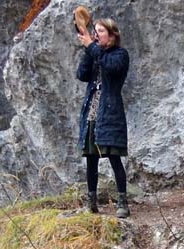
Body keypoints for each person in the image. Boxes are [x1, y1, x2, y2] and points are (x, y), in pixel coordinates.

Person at [76, 17, 130, 218]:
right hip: (92, 111)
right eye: (95, 32)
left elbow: (112, 67)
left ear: (112, 34)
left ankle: (123, 202)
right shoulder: (96, 53)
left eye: (100, 31)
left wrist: (92, 47)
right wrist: (88, 51)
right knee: (91, 158)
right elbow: (81, 74)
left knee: (114, 158)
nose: (96, 35)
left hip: (109, 113)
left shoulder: (120, 55)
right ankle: (91, 201)